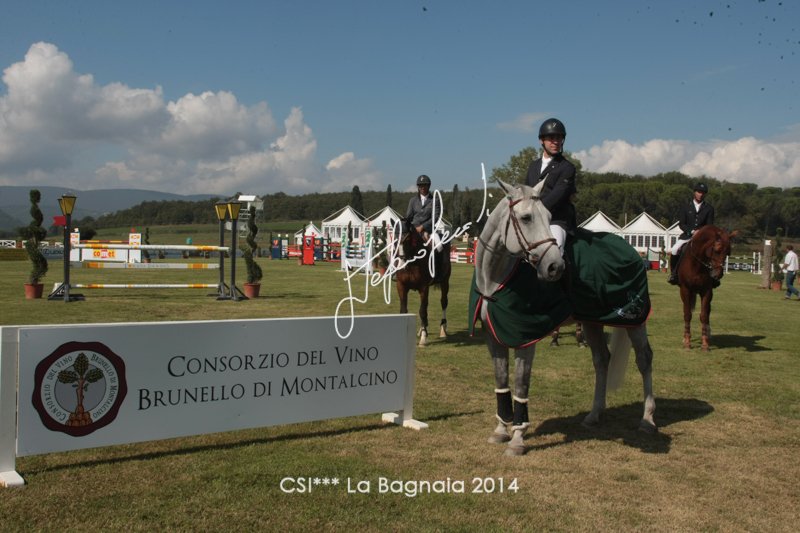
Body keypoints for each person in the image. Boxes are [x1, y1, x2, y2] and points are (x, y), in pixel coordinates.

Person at [524, 118, 577, 253]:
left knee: (553, 251)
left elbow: (556, 197)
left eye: (559, 138)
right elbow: (526, 192)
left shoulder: (567, 168)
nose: (556, 142)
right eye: (551, 138)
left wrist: (532, 212)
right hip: (532, 220)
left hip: (556, 220)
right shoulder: (533, 166)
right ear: (542, 140)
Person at [668, 182, 715, 285]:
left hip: (702, 239)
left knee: (713, 251)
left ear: (705, 194)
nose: (700, 194)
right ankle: (673, 274)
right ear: (694, 192)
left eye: (703, 192)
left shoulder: (709, 208)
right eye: (699, 192)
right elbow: (682, 224)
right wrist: (692, 231)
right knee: (675, 250)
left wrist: (700, 232)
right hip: (687, 236)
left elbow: (709, 225)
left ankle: (713, 276)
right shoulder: (685, 207)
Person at [406, 174, 448, 278]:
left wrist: (423, 227)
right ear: (418, 187)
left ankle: (438, 271)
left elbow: (436, 217)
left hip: (429, 231)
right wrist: (409, 227)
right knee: (401, 244)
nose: (422, 187)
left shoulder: (435, 200)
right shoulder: (413, 200)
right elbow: (409, 216)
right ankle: (395, 270)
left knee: (439, 247)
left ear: (428, 186)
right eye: (420, 185)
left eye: (424, 185)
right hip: (414, 230)